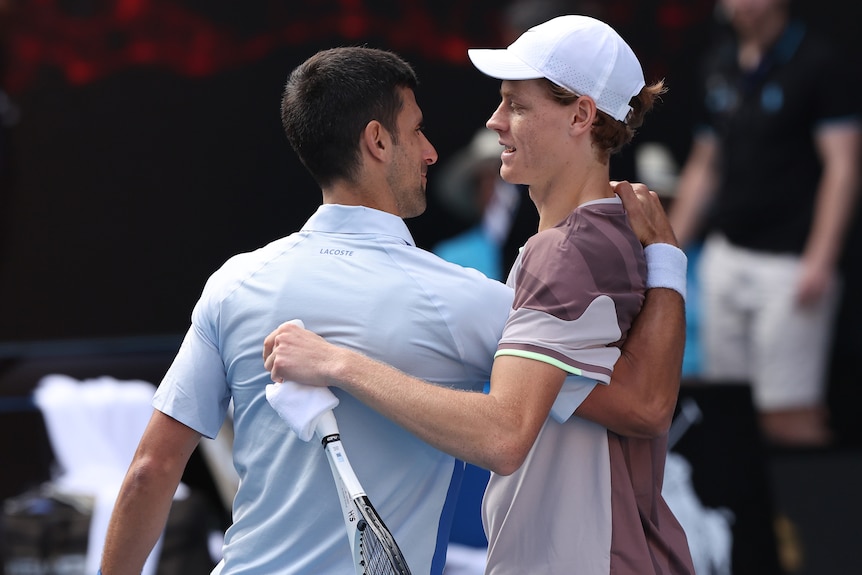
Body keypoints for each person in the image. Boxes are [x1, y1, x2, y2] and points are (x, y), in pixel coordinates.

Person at [100, 45, 683, 575]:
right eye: (418, 130)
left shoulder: (233, 284)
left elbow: (151, 470)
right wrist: (665, 263)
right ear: (378, 142)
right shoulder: (468, 301)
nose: (432, 150)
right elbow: (640, 405)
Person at [264, 16, 695, 575]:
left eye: (517, 105)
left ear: (581, 116)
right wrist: (667, 263)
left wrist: (336, 362)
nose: (495, 120)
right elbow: (634, 403)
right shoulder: (612, 237)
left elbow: (504, 432)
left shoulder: (565, 253)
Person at [668, 0, 861, 446]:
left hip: (791, 264)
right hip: (725, 256)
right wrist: (668, 250)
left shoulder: (818, 62)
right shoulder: (719, 63)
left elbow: (843, 166)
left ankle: (813, 493)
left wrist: (821, 258)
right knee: (726, 408)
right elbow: (704, 165)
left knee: (787, 416)